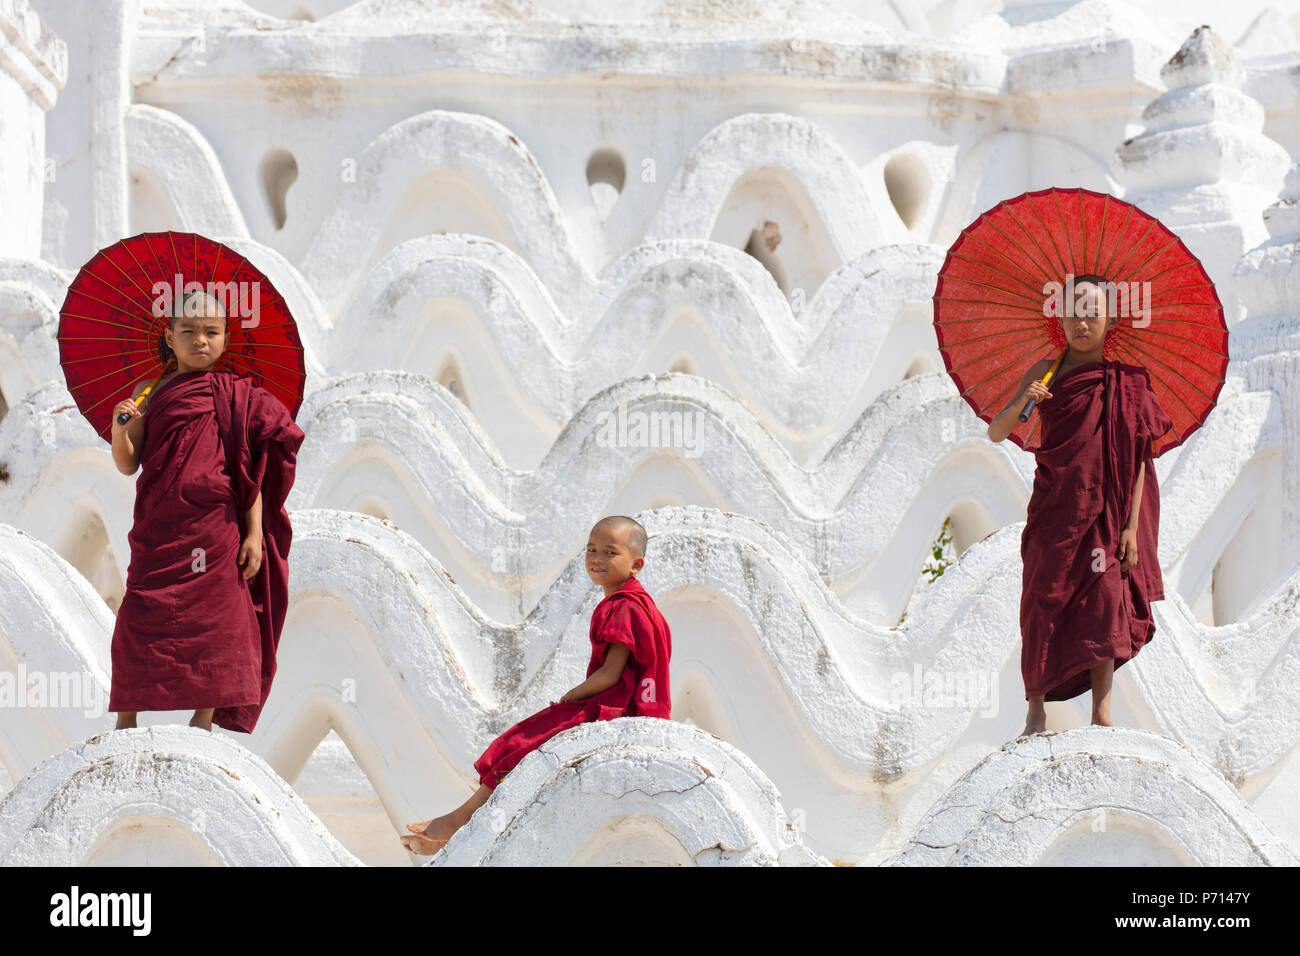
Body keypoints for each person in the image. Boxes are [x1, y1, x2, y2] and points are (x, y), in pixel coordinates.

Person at [400, 515, 672, 855]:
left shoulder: (622, 607)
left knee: (525, 741)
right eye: (591, 550)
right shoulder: (632, 602)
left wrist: (571, 696)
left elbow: (611, 675)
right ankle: (458, 820)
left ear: (636, 564)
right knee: (525, 737)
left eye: (609, 552)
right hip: (635, 707)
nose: (597, 559)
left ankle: (459, 821)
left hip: (619, 708)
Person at [108, 289, 304, 733]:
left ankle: (204, 718)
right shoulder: (147, 392)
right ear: (170, 337)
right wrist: (120, 429)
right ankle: (127, 719)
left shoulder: (236, 394)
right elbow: (128, 463)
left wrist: (254, 535)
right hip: (159, 527)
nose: (200, 340)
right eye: (189, 331)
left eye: (211, 332)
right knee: (142, 612)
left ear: (224, 338)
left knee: (219, 617)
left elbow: (249, 472)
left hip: (217, 526)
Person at [987, 275, 1174, 737]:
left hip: (1105, 516)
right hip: (1055, 509)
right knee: (1040, 600)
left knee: (1105, 601)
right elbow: (996, 431)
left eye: (1092, 312)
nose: (1082, 321)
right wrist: (1023, 403)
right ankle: (1035, 712)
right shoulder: (1043, 372)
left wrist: (1131, 529)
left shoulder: (1126, 383)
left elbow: (1138, 464)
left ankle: (1102, 713)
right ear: (1060, 318)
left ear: (1110, 320)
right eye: (1073, 311)